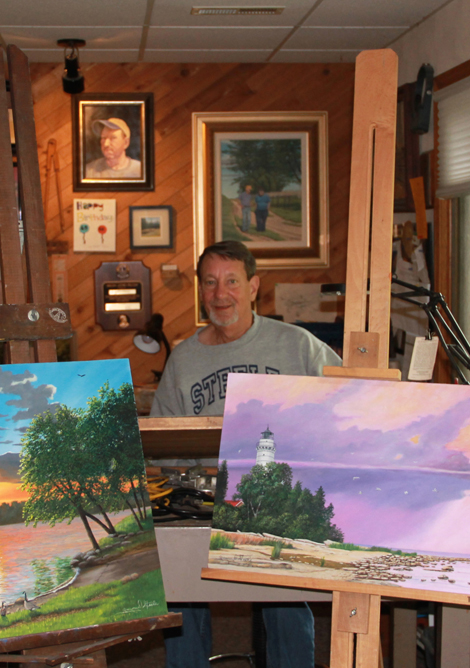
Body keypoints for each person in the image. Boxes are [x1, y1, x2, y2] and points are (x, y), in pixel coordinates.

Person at [151, 240, 341, 668]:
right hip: (200, 504)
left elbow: (346, 394)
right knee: (180, 587)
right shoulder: (183, 360)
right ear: (201, 291)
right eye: (211, 282)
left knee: (285, 590)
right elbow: (162, 441)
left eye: (232, 281)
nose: (221, 294)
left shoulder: (297, 345)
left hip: (273, 495)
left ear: (254, 286)